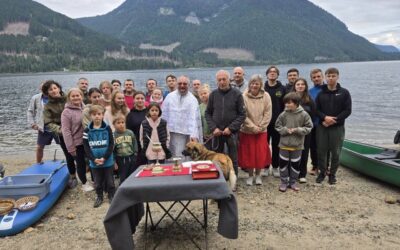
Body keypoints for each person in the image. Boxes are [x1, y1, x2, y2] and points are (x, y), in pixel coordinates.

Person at [205, 70, 246, 176]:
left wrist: (231, 128)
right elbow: (207, 113)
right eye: (219, 80)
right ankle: (218, 179)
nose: (222, 82)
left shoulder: (237, 94)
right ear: (217, 81)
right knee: (216, 158)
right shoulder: (213, 95)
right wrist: (214, 128)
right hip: (217, 133)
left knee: (233, 159)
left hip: (231, 133)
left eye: (224, 79)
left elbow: (242, 114)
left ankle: (233, 180)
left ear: (229, 80)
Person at [315, 68, 352, 184]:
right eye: (328, 76)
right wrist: (325, 118)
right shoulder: (321, 94)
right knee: (321, 151)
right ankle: (322, 172)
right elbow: (316, 110)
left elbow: (347, 110)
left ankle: (332, 174)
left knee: (336, 152)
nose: (331, 78)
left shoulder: (344, 92)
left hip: (337, 127)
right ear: (325, 78)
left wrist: (334, 120)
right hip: (323, 126)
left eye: (333, 76)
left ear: (337, 77)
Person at [238, 74, 272, 186]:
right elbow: (243, 114)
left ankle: (258, 175)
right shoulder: (243, 96)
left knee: (260, 154)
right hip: (247, 130)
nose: (254, 85)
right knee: (249, 154)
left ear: (261, 84)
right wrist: (252, 127)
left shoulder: (266, 96)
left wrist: (261, 127)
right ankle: (250, 175)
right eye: (252, 83)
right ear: (249, 84)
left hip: (261, 131)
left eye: (257, 83)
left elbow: (268, 113)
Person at [42, 80, 77, 188]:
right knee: (69, 155)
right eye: (50, 89)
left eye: (55, 88)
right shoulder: (48, 106)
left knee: (82, 152)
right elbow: (48, 122)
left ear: (59, 88)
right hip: (62, 132)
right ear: (47, 93)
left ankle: (88, 173)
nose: (53, 91)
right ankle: (73, 176)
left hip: (76, 129)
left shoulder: (69, 97)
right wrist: (59, 129)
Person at [275, 92, 313, 192]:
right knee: (283, 165)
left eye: (289, 103)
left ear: (296, 103)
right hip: (284, 145)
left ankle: (293, 182)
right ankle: (283, 182)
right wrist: (286, 130)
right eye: (286, 103)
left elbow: (309, 127)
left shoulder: (304, 114)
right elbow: (277, 126)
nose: (287, 105)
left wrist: (298, 130)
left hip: (297, 146)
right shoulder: (283, 114)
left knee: (295, 165)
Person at [61, 88, 93, 192]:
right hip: (77, 143)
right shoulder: (66, 112)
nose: (76, 98)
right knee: (81, 164)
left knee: (92, 161)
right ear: (69, 98)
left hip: (88, 141)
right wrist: (70, 147)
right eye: (73, 96)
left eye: (78, 95)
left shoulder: (86, 108)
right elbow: (66, 131)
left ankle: (94, 180)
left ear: (82, 96)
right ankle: (84, 183)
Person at [83, 105, 115, 208]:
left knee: (110, 181)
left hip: (108, 161)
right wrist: (93, 159)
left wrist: (105, 158)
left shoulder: (108, 128)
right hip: (94, 162)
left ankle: (111, 195)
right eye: (94, 114)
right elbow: (86, 147)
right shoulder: (87, 131)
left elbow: (111, 144)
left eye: (99, 114)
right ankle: (99, 196)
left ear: (102, 115)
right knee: (97, 182)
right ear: (90, 116)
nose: (97, 116)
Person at [162, 75, 202, 157]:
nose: (182, 86)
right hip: (173, 133)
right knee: (175, 156)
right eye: (180, 83)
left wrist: (194, 134)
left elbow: (195, 119)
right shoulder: (169, 97)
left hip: (189, 134)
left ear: (189, 85)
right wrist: (163, 132)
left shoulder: (192, 99)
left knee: (189, 156)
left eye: (185, 84)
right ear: (177, 84)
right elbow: (164, 114)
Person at [263, 65, 286, 178]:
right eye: (270, 72)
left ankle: (276, 167)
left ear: (277, 75)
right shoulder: (262, 88)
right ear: (267, 74)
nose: (272, 73)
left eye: (274, 72)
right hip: (264, 123)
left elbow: (285, 106)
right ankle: (266, 166)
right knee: (265, 146)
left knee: (277, 146)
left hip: (278, 123)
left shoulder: (282, 89)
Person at [294, 78, 316, 183]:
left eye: (302, 84)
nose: (300, 86)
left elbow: (313, 115)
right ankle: (292, 172)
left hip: (305, 131)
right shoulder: (290, 98)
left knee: (304, 151)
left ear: (305, 86)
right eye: (298, 84)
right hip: (292, 130)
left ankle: (302, 174)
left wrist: (307, 128)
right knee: (292, 151)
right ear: (295, 86)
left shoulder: (309, 100)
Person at [27, 83, 56, 164]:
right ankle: (38, 163)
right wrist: (32, 123)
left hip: (57, 127)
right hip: (43, 128)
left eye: (47, 88)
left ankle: (72, 163)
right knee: (40, 147)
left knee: (66, 147)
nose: (45, 90)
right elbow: (30, 111)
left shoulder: (56, 96)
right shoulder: (36, 98)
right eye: (43, 88)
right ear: (40, 89)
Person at [308, 68, 325, 175]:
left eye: (318, 76)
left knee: (324, 146)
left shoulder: (327, 89)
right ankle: (315, 166)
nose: (316, 79)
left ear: (322, 77)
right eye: (314, 77)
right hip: (312, 123)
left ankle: (324, 167)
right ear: (311, 79)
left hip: (324, 123)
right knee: (313, 146)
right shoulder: (310, 92)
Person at [113, 114, 138, 183]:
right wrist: (114, 161)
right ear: (114, 125)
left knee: (131, 174)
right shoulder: (114, 135)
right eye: (118, 123)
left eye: (122, 122)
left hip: (131, 157)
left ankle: (132, 188)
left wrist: (135, 154)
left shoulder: (130, 133)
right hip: (120, 159)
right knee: (123, 176)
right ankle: (123, 190)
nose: (121, 124)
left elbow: (134, 143)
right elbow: (113, 150)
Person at [126, 91, 148, 167]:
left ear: (145, 100)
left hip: (149, 143)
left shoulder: (150, 112)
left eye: (142, 98)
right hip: (137, 145)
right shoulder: (130, 115)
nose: (140, 100)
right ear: (134, 100)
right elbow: (128, 131)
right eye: (137, 98)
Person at [198, 84, 212, 149]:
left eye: (205, 93)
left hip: (215, 134)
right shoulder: (199, 107)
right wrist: (203, 134)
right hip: (204, 135)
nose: (203, 95)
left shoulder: (214, 105)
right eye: (201, 94)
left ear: (210, 93)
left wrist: (212, 133)